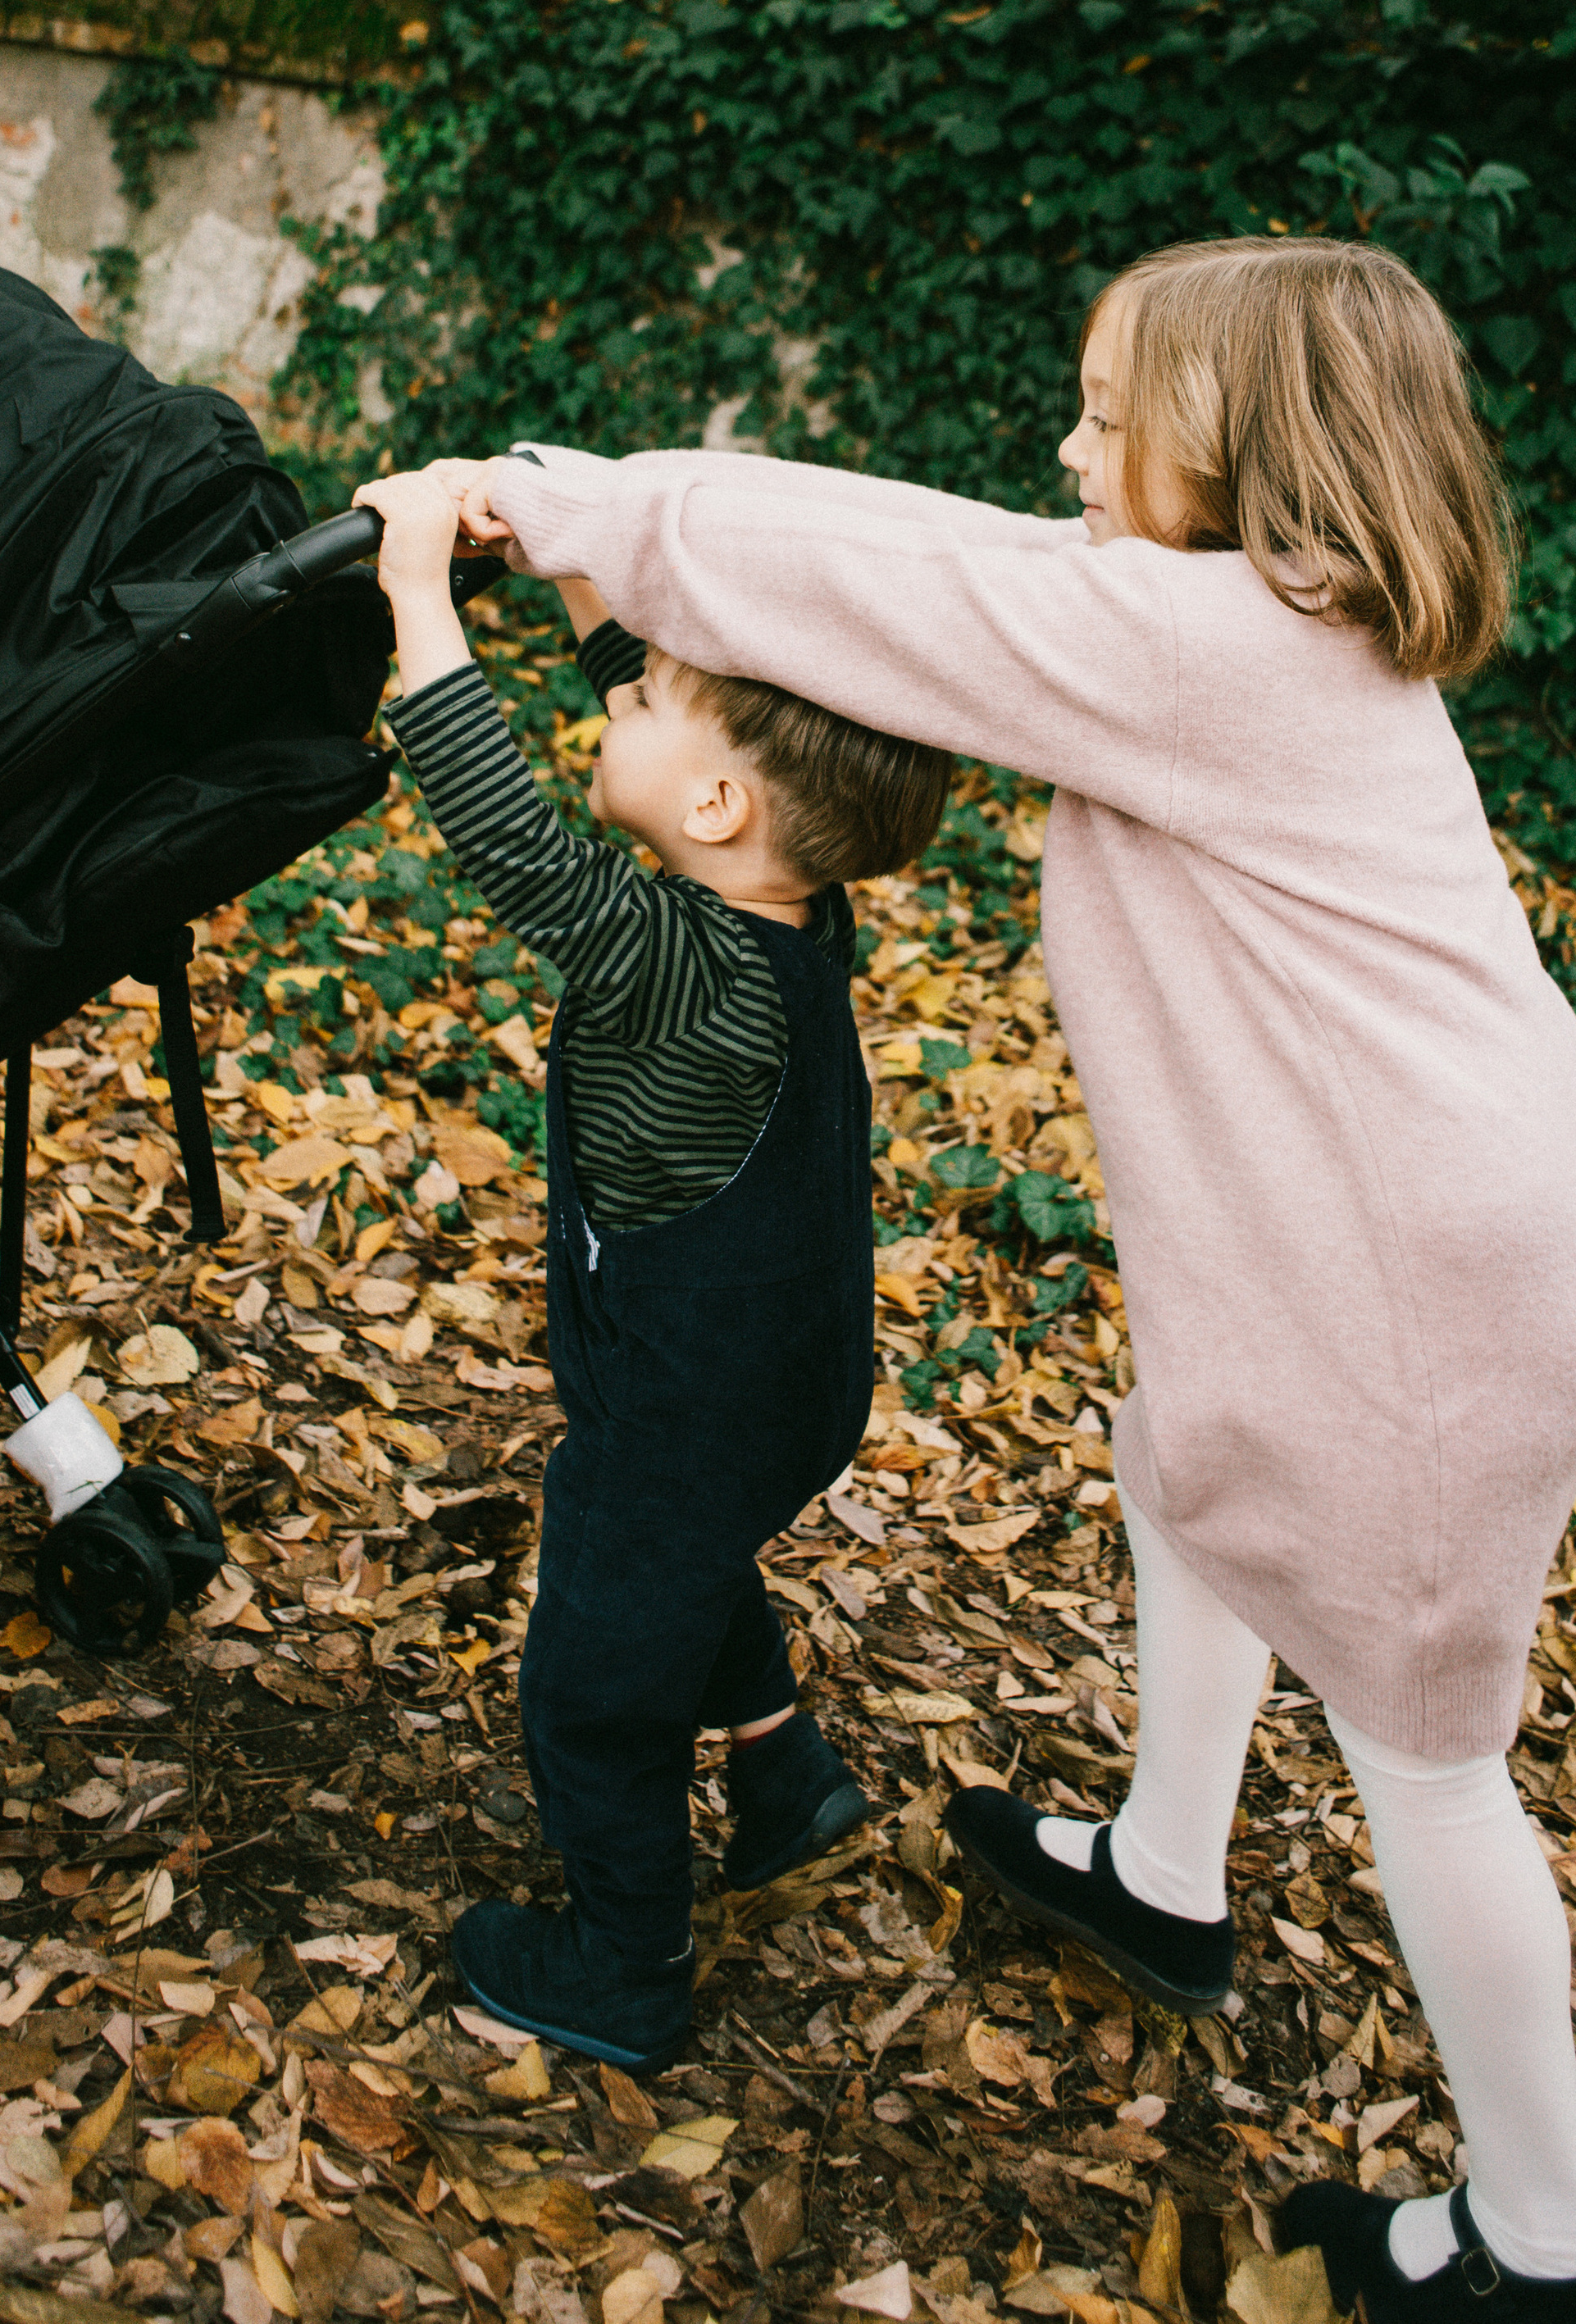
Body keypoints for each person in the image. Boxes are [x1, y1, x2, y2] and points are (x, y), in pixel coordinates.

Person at [453, 239, 1576, 2324]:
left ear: (1248, 447)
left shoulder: (1212, 651)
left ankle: (1547, 2255)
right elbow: (951, 546)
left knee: (1430, 1758)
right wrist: (621, 532)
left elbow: (916, 592)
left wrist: (589, 514)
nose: (1069, 446)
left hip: (1428, 1299)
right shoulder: (1263, 615)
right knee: (1183, 1473)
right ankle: (1163, 1876)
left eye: (1110, 414)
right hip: (1410, 1242)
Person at [348, 460, 952, 2072]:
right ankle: (776, 1765)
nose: (616, 704)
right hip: (786, 1381)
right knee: (690, 1557)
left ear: (713, 812)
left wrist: (418, 594)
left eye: (649, 708)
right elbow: (640, 687)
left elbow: (510, 841)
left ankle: (624, 1964)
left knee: (595, 1682)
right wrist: (564, 555)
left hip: (689, 1398)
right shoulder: (785, 913)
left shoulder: (674, 957)